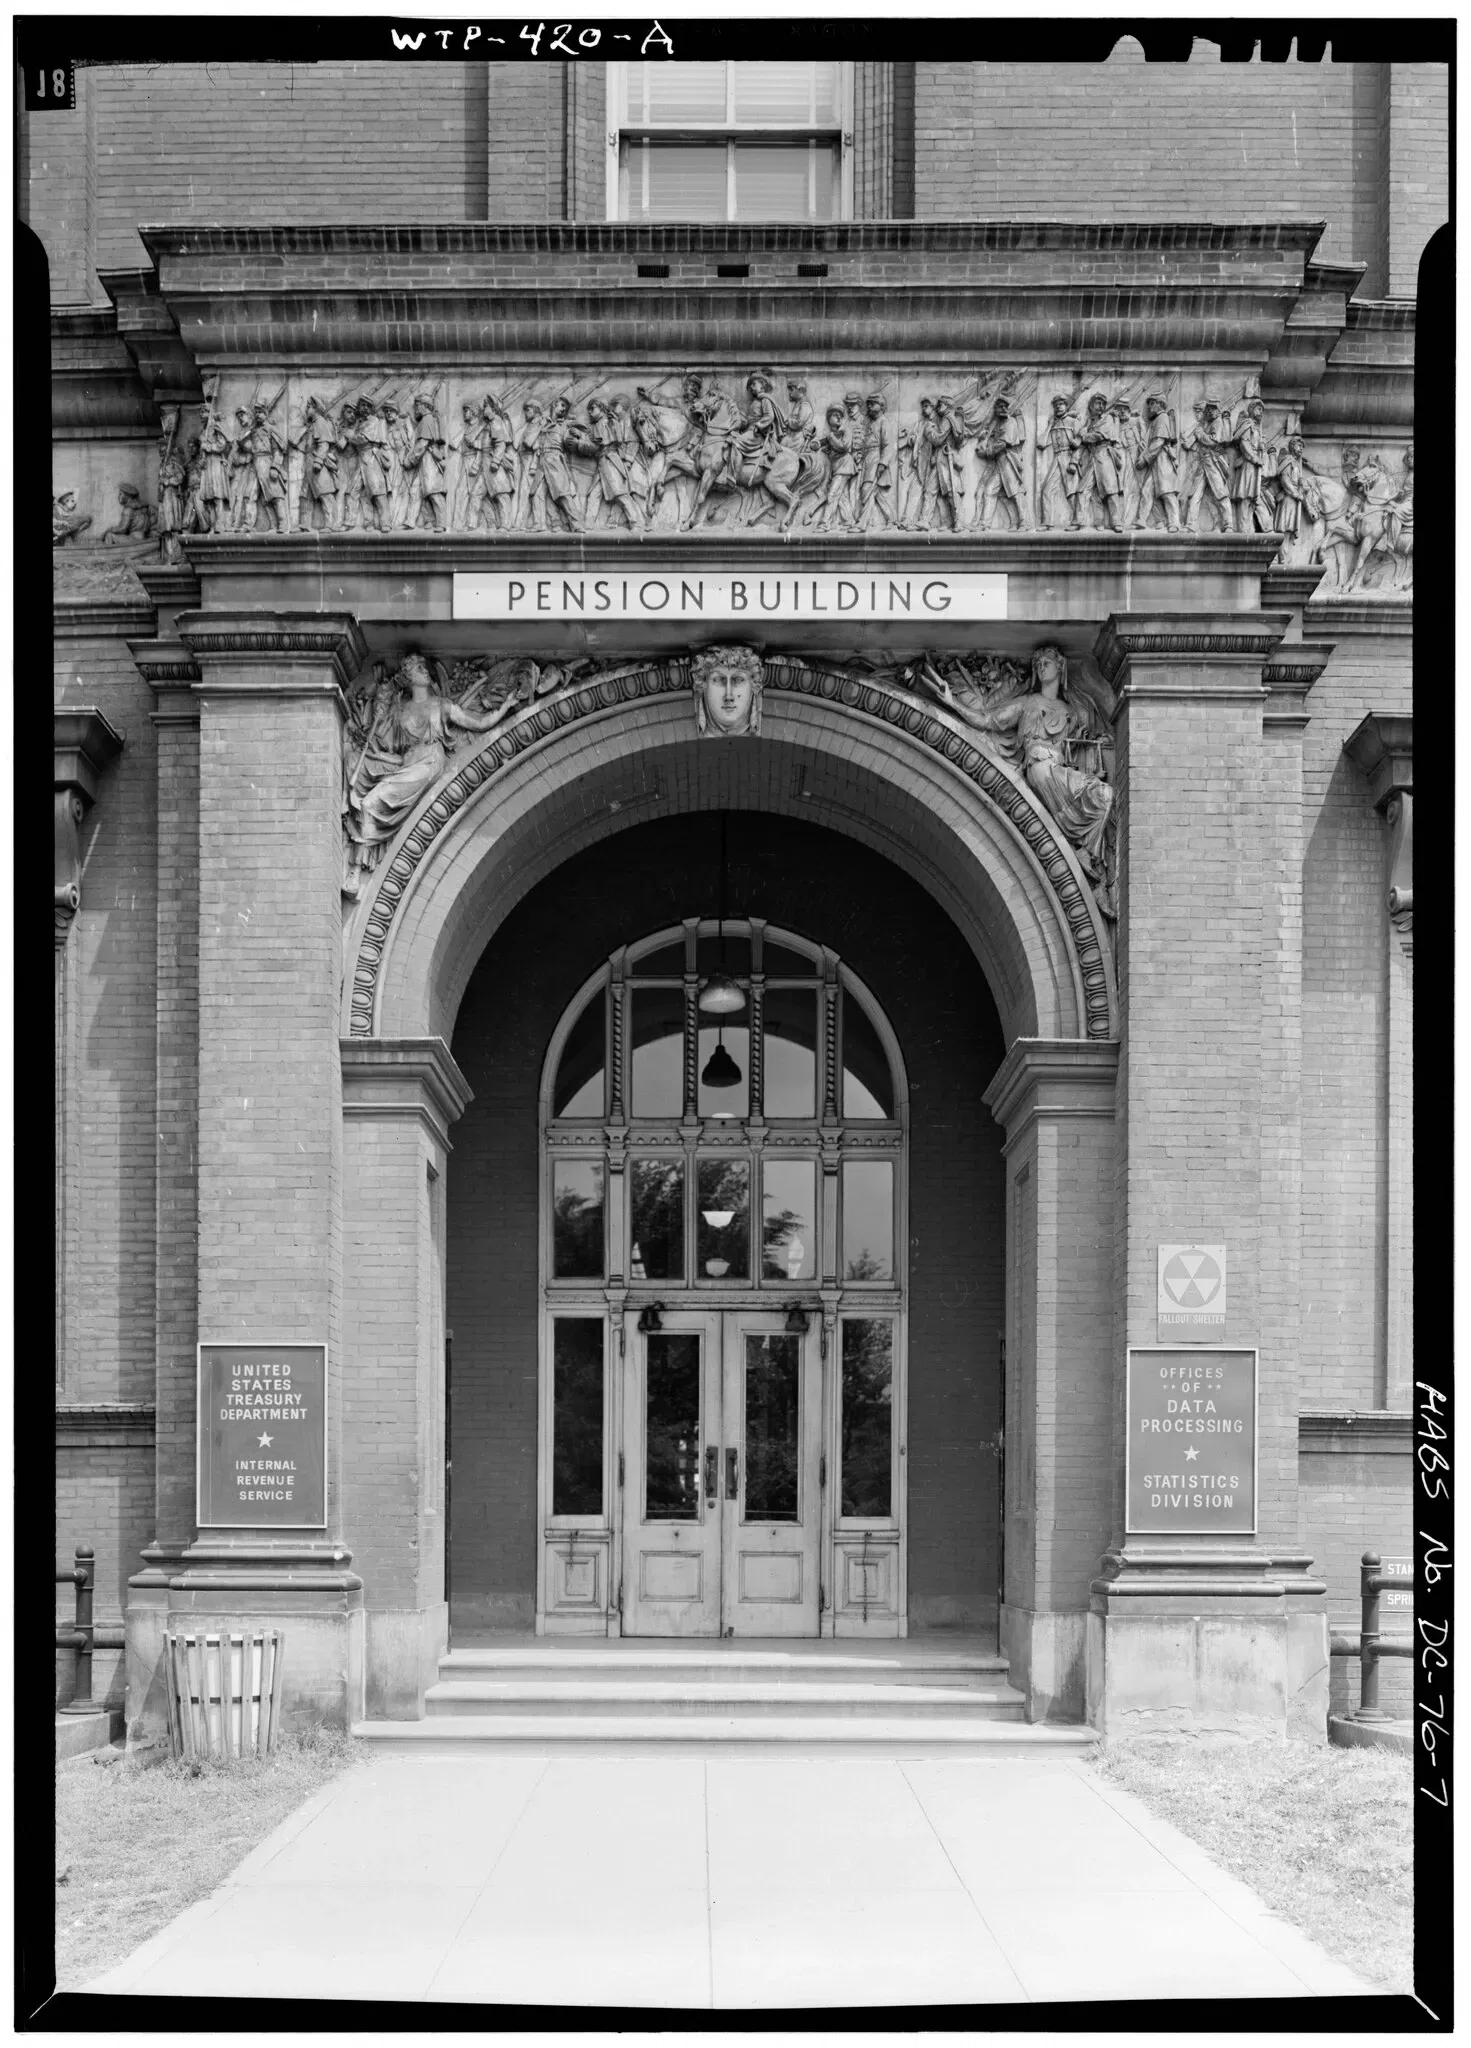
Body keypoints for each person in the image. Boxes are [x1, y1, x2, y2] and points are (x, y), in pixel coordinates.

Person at [922, 644, 1113, 878]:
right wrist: (952, 702)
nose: (1041, 668)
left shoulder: (1071, 711)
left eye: (1047, 663)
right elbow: (987, 720)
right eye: (1038, 664)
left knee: (1104, 795)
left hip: (1058, 769)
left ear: (1060, 666)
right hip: (1040, 768)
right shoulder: (1026, 703)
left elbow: (1077, 746)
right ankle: (1075, 845)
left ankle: (1086, 851)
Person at [976, 392, 1028, 530]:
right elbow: (993, 441)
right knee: (989, 491)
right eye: (1000, 406)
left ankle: (1025, 522)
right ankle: (985, 523)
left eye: (1005, 406)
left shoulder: (1010, 422)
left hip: (1008, 460)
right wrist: (983, 439)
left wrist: (986, 452)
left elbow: (1002, 444)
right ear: (995, 409)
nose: (1003, 409)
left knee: (1015, 492)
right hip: (999, 462)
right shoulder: (998, 424)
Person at [1135, 393, 1181, 532]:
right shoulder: (1156, 420)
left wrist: (1144, 460)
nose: (1149, 407)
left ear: (1159, 404)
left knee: (1167, 492)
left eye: (1152, 404)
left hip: (1162, 460)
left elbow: (1158, 442)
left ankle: (1174, 522)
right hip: (1155, 462)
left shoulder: (1162, 418)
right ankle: (1146, 520)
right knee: (1147, 491)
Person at [1037, 395, 1083, 530]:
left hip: (1069, 457)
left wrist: (1074, 462)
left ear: (1066, 406)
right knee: (1046, 490)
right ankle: (1047, 523)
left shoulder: (1073, 422)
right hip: (1057, 458)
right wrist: (1049, 425)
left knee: (1072, 492)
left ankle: (1077, 522)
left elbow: (1080, 444)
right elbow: (1041, 444)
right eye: (1056, 405)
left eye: (1061, 404)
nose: (1058, 407)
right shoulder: (1053, 423)